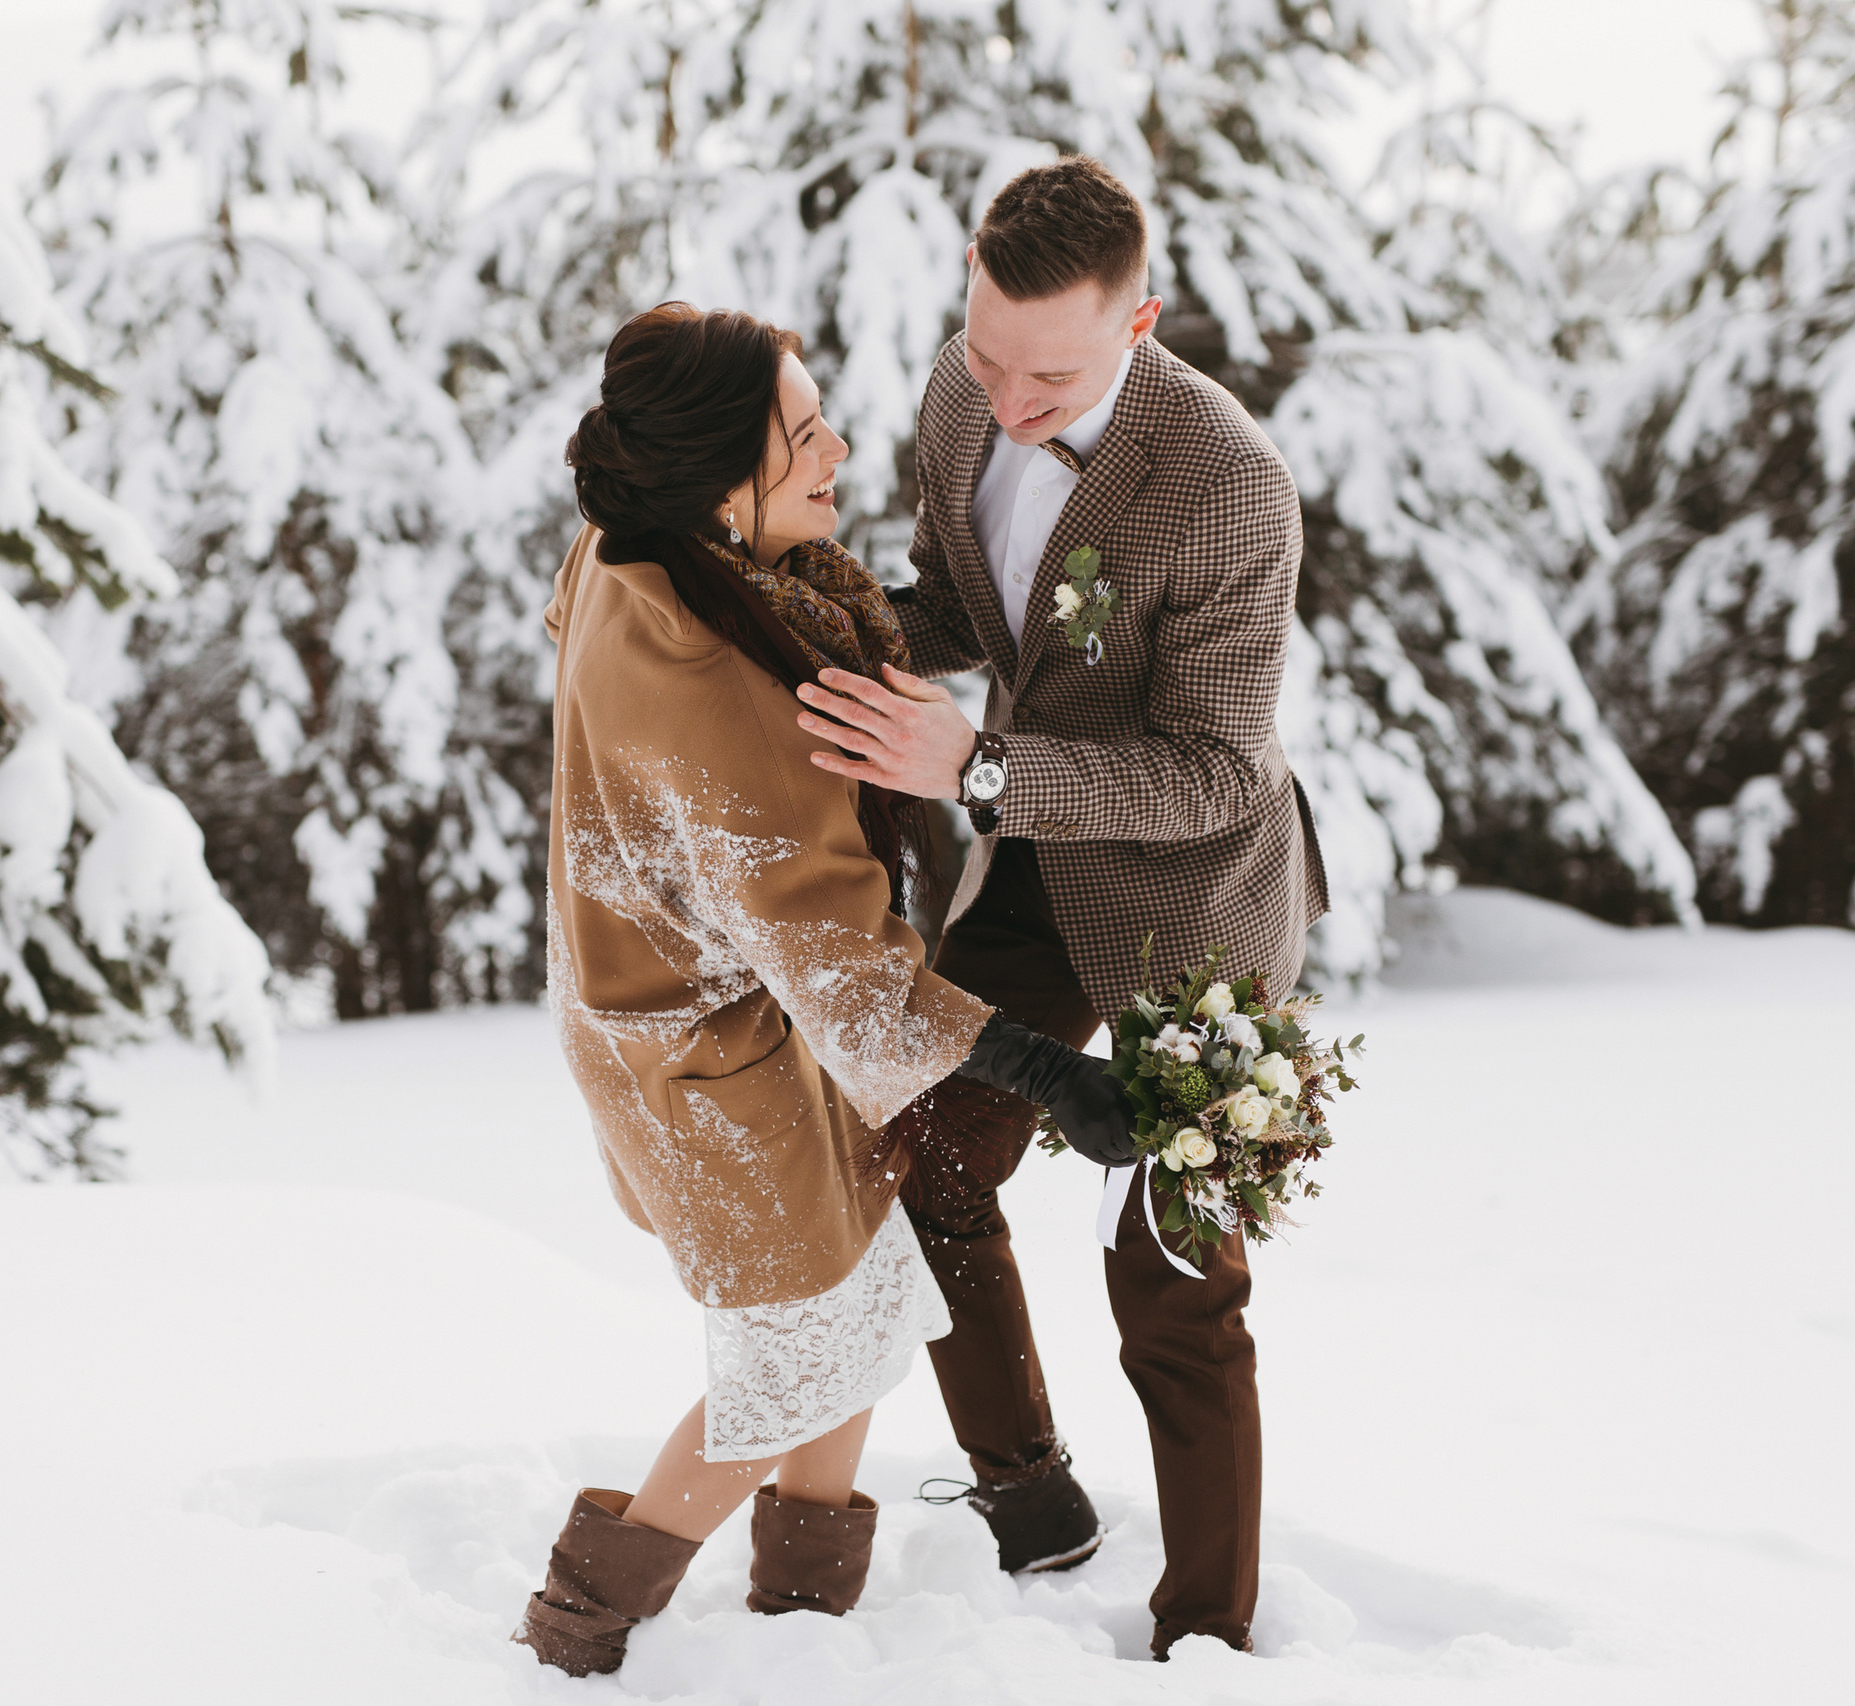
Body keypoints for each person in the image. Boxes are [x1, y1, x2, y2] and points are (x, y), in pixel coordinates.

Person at [520, 302, 1138, 1678]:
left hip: (710, 1008)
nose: (841, 449)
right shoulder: (722, 689)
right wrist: (1055, 1077)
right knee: (802, 1341)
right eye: (803, 437)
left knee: (868, 1285)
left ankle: (806, 1616)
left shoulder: (646, 545)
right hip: (700, 1057)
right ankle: (579, 1625)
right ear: (717, 483)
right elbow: (847, 970)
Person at [789, 157, 1330, 1659]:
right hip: (1032, 859)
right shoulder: (967, 394)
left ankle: (1205, 1636)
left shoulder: (1228, 486)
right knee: (923, 1153)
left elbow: (1220, 769)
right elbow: (964, 604)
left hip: (1199, 910)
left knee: (1171, 1279)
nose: (1008, 400)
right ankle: (1031, 1498)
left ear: (1141, 321)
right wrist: (815, 641)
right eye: (986, 352)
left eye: (1052, 372)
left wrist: (982, 765)